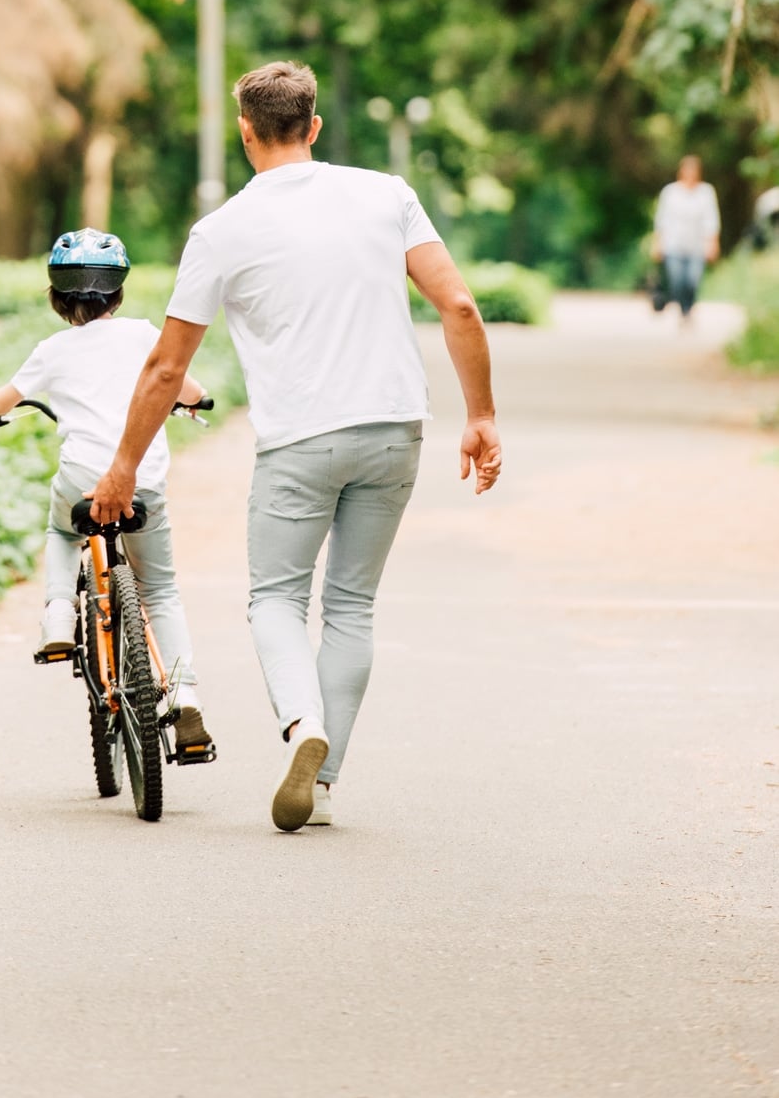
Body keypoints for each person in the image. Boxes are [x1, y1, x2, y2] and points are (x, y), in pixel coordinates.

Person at [89, 61, 501, 833]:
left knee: (277, 598)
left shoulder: (220, 232)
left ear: (246, 134)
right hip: (393, 431)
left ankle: (299, 725)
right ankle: (328, 772)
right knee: (350, 604)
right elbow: (460, 305)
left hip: (298, 442)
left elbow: (165, 368)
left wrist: (120, 467)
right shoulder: (388, 194)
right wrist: (479, 415)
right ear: (312, 127)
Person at [0, 226, 216, 761]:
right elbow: (188, 389)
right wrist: (198, 401)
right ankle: (184, 690)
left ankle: (56, 615)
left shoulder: (52, 350)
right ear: (118, 292)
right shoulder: (146, 336)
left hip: (81, 479)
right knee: (160, 590)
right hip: (142, 478)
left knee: (60, 528)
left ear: (56, 297)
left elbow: (0, 399)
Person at [651, 155, 721, 319]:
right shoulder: (670, 192)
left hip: (697, 246)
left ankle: (688, 307)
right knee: (677, 281)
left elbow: (711, 220)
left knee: (693, 281)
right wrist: (657, 243)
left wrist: (713, 243)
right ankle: (684, 310)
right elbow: (662, 220)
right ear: (681, 172)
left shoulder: (706, 192)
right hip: (673, 245)